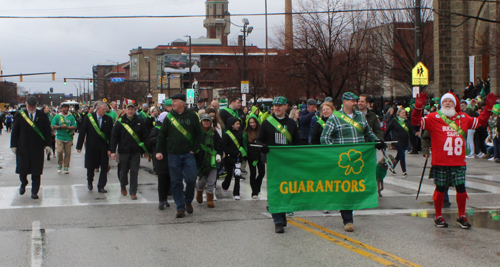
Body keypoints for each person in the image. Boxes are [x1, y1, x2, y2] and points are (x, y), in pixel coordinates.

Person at [413, 91, 498, 228]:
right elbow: (416, 122)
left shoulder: (464, 117)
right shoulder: (433, 117)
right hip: (440, 161)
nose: (447, 103)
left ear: (455, 104)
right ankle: (439, 215)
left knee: (461, 189)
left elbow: (481, 122)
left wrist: (488, 108)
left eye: (450, 101)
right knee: (440, 188)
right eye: (445, 101)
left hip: (458, 162)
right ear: (441, 104)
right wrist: (417, 108)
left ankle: (462, 215)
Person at [320, 92, 383, 232]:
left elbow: (368, 132)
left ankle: (351, 211)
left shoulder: (360, 116)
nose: (355, 103)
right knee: (345, 189)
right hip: (343, 162)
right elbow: (325, 138)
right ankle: (347, 219)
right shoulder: (335, 118)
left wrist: (377, 141)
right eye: (352, 100)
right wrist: (334, 154)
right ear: (344, 102)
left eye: (356, 100)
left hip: (359, 160)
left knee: (356, 187)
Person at [257, 96, 300, 234]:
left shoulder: (292, 124)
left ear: (286, 106)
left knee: (286, 189)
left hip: (288, 162)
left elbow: (297, 143)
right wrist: (263, 148)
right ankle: (277, 221)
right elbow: (259, 140)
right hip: (273, 162)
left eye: (280, 105)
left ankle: (282, 213)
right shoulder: (267, 123)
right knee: (275, 190)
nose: (277, 107)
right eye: (275, 105)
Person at [155, 93, 202, 218]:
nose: (173, 104)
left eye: (175, 101)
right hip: (173, 155)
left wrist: (194, 149)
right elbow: (162, 136)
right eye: (172, 101)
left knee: (191, 179)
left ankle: (188, 200)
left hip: (188, 154)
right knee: (176, 182)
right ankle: (180, 207)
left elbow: (199, 134)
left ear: (182, 102)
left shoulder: (192, 116)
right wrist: (159, 150)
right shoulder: (169, 117)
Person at [10, 96, 52, 199]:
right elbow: (14, 131)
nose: (31, 108)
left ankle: (34, 192)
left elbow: (47, 131)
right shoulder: (20, 115)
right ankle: (23, 183)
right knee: (22, 170)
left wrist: (48, 145)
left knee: (36, 171)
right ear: (26, 104)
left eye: (33, 106)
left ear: (36, 105)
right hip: (23, 148)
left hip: (37, 148)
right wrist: (13, 145)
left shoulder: (42, 116)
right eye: (29, 106)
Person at [110, 101, 148, 200]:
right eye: (128, 109)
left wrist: (145, 150)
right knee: (123, 172)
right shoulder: (120, 122)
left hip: (136, 151)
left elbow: (144, 136)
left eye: (132, 109)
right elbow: (114, 137)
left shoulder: (139, 121)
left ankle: (133, 192)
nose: (130, 111)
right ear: (125, 110)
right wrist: (113, 151)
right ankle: (123, 184)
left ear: (135, 110)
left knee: (134, 171)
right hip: (124, 151)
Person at [76, 101, 113, 193]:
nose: (105, 111)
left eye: (106, 109)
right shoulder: (89, 118)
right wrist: (79, 146)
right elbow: (83, 131)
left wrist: (110, 149)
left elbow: (110, 136)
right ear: (98, 109)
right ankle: (89, 181)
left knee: (104, 167)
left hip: (103, 147)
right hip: (91, 147)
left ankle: (101, 186)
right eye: (103, 109)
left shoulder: (108, 119)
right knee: (90, 166)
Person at [196, 114, 222, 208]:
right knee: (202, 181)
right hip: (201, 160)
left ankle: (210, 199)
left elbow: (219, 145)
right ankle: (199, 192)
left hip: (213, 160)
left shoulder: (214, 132)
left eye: (208, 121)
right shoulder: (198, 133)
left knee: (211, 180)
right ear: (201, 122)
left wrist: (218, 154)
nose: (206, 123)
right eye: (204, 121)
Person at [147, 111, 171, 210]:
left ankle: (166, 198)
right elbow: (150, 140)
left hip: (170, 156)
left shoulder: (171, 129)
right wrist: (161, 139)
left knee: (169, 178)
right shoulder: (156, 129)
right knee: (162, 178)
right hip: (160, 157)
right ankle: (161, 200)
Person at [384, 108, 416, 176]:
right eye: (403, 113)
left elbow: (411, 129)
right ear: (399, 113)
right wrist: (384, 138)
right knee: (402, 155)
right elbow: (388, 129)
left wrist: (415, 133)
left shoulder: (407, 121)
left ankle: (392, 167)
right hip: (397, 141)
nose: (404, 114)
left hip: (404, 141)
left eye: (405, 113)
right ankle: (404, 171)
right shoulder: (394, 121)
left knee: (398, 156)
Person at [221, 117, 245, 200]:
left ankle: (236, 193)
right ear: (232, 125)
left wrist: (241, 152)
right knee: (229, 174)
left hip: (237, 158)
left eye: (239, 124)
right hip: (229, 158)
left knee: (237, 175)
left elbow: (242, 144)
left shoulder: (240, 133)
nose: (238, 126)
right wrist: (233, 152)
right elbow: (224, 146)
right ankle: (225, 186)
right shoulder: (226, 134)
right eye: (237, 124)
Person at [51, 102, 77, 174]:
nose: (65, 109)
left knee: (68, 153)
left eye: (67, 107)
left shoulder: (71, 117)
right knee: (59, 152)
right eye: (64, 107)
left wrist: (68, 127)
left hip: (68, 137)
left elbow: (75, 126)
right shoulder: (57, 117)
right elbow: (52, 126)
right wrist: (60, 127)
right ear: (61, 108)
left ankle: (66, 167)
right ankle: (59, 164)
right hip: (60, 137)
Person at [244, 114, 265, 199]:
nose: (252, 124)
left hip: (260, 154)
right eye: (250, 122)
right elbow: (245, 144)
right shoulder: (246, 133)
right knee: (253, 173)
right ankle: (254, 191)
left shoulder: (261, 131)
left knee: (262, 172)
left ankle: (257, 186)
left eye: (253, 122)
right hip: (251, 155)